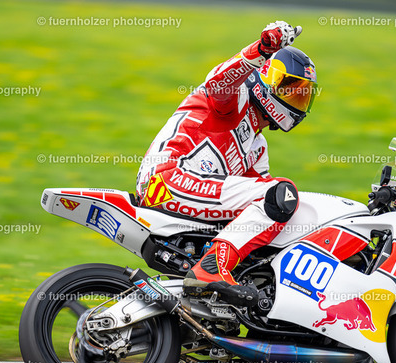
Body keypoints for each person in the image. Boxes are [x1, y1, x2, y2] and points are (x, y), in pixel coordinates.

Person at [136, 21, 318, 306]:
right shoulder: (235, 99)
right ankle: (211, 269)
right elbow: (219, 81)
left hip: (189, 189)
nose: (296, 101)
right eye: (290, 90)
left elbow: (264, 212)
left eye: (303, 95)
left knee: (279, 207)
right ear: (266, 78)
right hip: (167, 179)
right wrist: (262, 49)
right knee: (281, 193)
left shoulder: (257, 147)